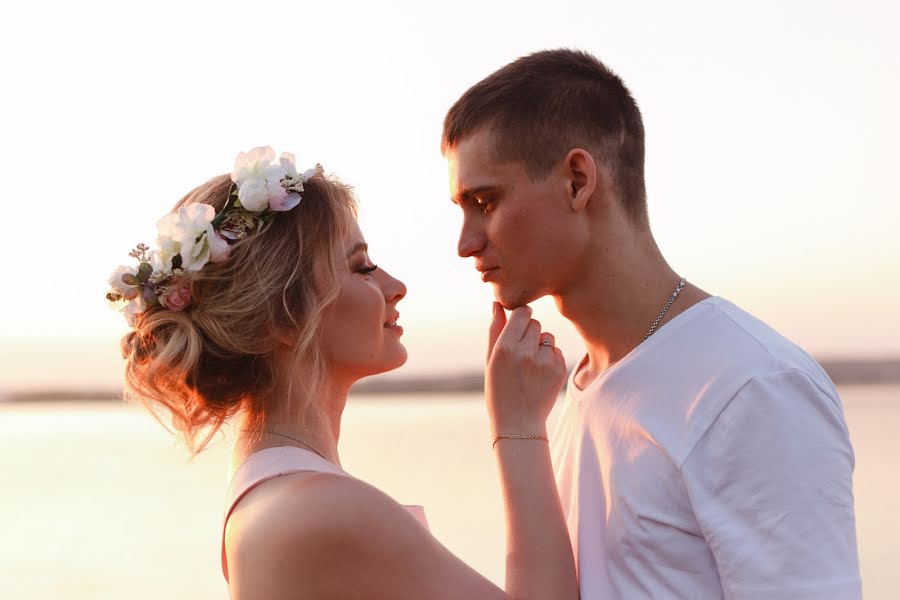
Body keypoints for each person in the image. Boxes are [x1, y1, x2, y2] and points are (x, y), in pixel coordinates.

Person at [442, 49, 861, 599]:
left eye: (485, 201)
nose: (465, 242)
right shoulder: (575, 390)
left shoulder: (752, 387)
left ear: (576, 180)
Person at [107, 147, 579, 599]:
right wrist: (519, 428)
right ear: (284, 316)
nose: (396, 287)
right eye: (362, 267)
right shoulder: (320, 507)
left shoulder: (265, 487)